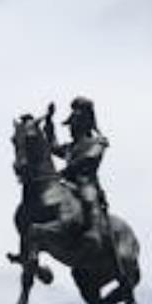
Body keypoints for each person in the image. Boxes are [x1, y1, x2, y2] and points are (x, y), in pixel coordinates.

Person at [44, 97, 109, 246]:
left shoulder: (98, 141)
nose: (71, 128)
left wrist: (66, 171)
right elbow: (52, 146)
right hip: (67, 184)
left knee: (88, 195)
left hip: (87, 183)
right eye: (71, 124)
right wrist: (49, 122)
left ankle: (94, 231)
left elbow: (89, 158)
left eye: (75, 123)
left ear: (86, 123)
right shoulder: (69, 147)